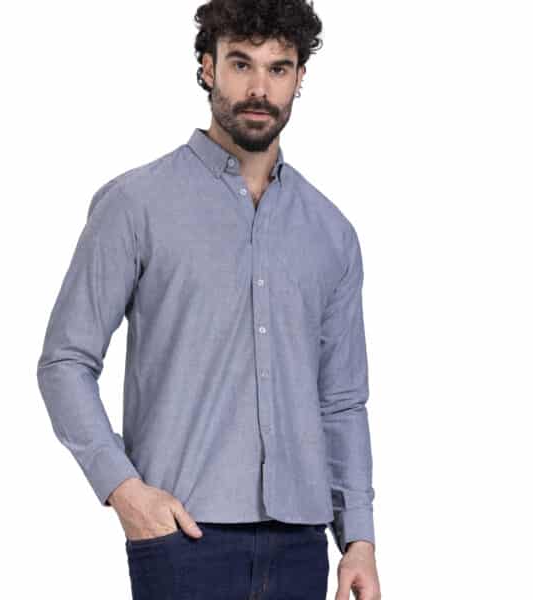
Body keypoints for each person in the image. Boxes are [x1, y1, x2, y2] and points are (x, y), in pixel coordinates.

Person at [36, 1, 381, 598]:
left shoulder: (332, 232)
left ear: (300, 78)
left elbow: (342, 400)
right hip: (182, 536)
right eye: (241, 64)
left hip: (303, 544)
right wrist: (124, 490)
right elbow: (65, 361)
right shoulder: (136, 205)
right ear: (207, 68)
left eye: (278, 68)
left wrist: (359, 539)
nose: (259, 88)